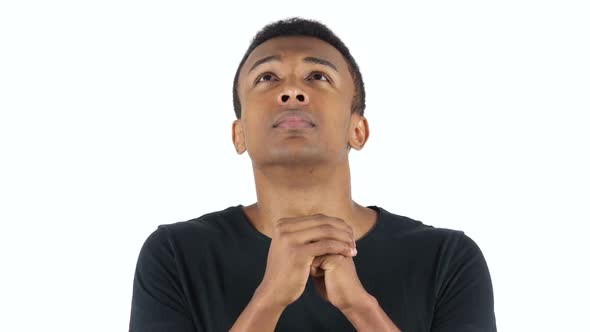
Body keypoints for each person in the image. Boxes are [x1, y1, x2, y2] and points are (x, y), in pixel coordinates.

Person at [128, 17, 497, 332]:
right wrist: (268, 299)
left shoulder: (446, 259)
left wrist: (360, 308)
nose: (291, 91)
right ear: (239, 134)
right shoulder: (176, 255)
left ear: (358, 130)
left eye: (318, 76)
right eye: (267, 77)